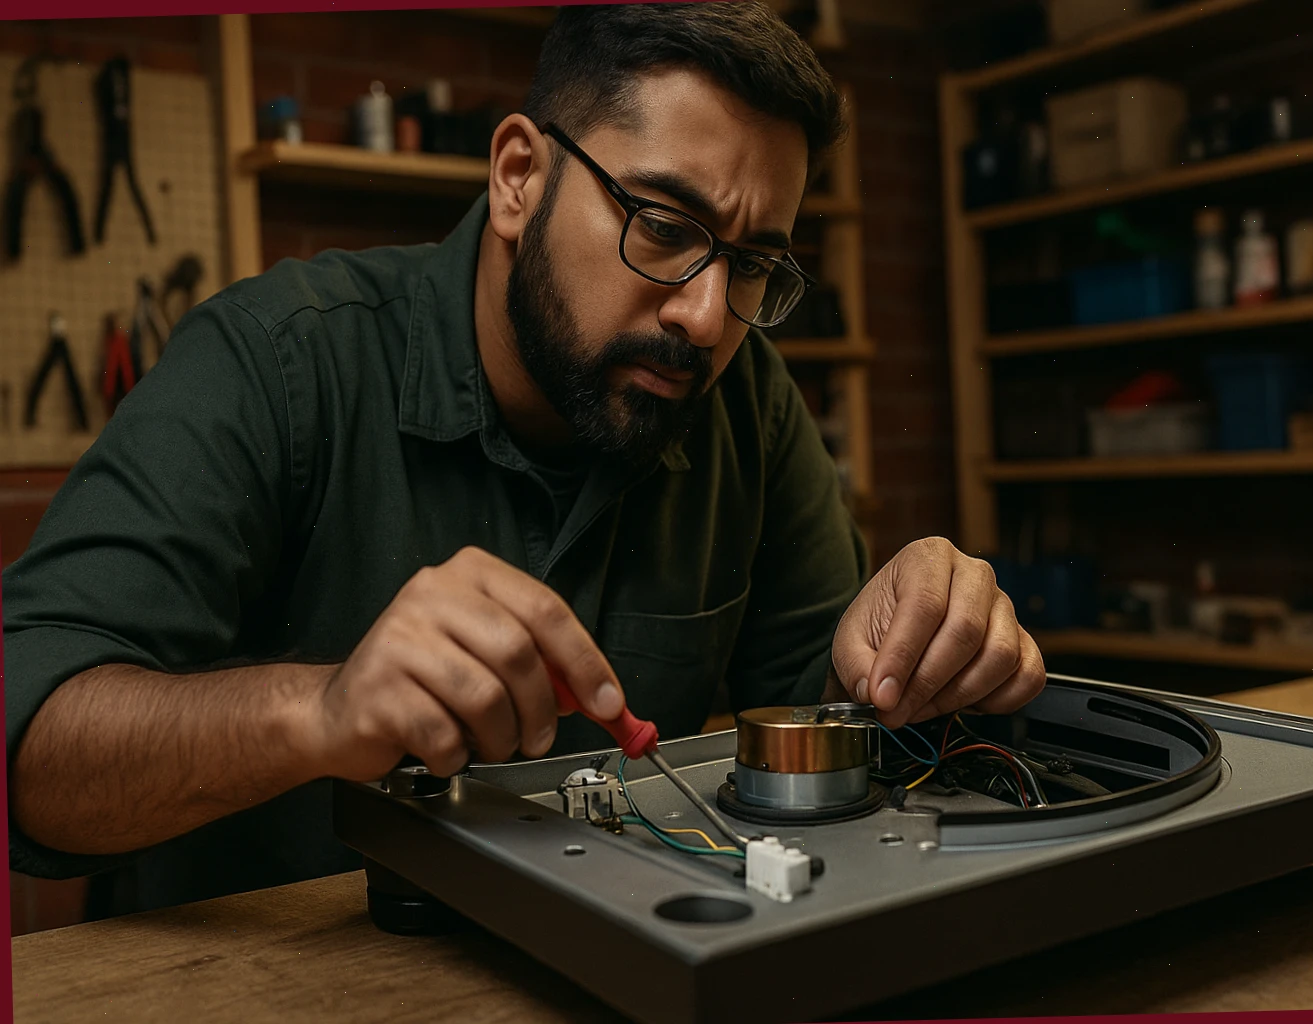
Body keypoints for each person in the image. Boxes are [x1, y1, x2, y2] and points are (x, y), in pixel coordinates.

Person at [3, 2, 1044, 915]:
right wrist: (316, 712)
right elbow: (27, 743)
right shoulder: (277, 362)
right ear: (517, 176)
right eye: (665, 225)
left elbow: (826, 720)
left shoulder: (743, 401)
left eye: (756, 263)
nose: (707, 314)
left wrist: (917, 654)